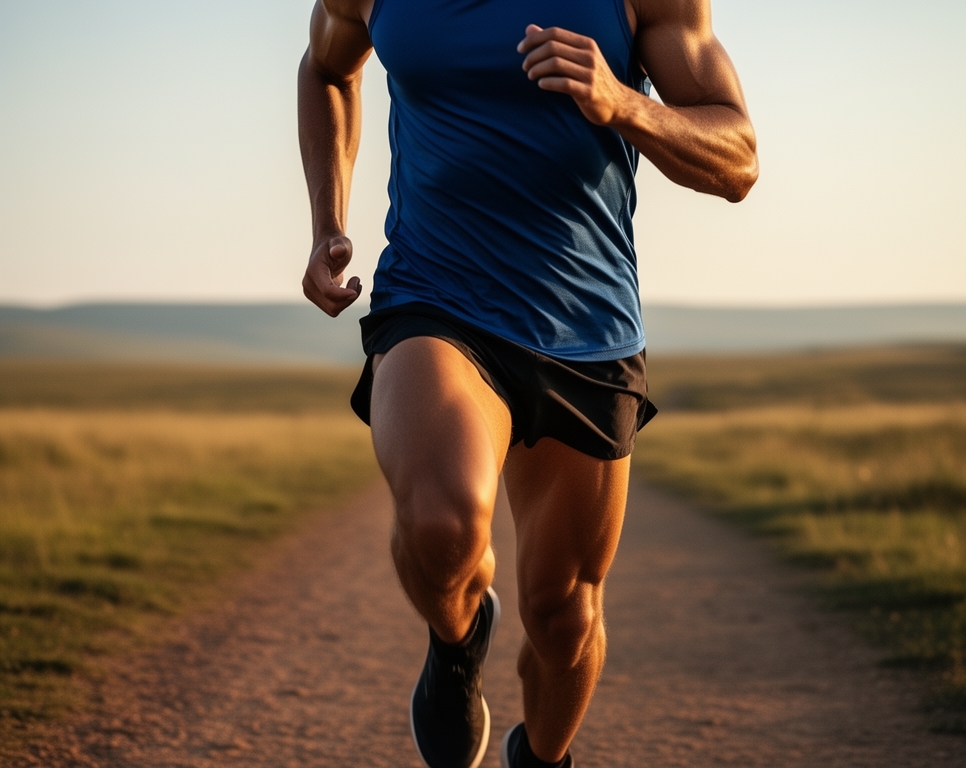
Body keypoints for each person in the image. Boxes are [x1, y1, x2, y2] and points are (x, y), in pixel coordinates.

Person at [298, 0, 756, 765]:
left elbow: (737, 156)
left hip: (587, 329)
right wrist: (326, 221)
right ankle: (457, 637)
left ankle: (541, 758)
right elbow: (326, 68)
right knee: (442, 527)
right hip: (436, 297)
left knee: (564, 617)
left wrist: (624, 103)